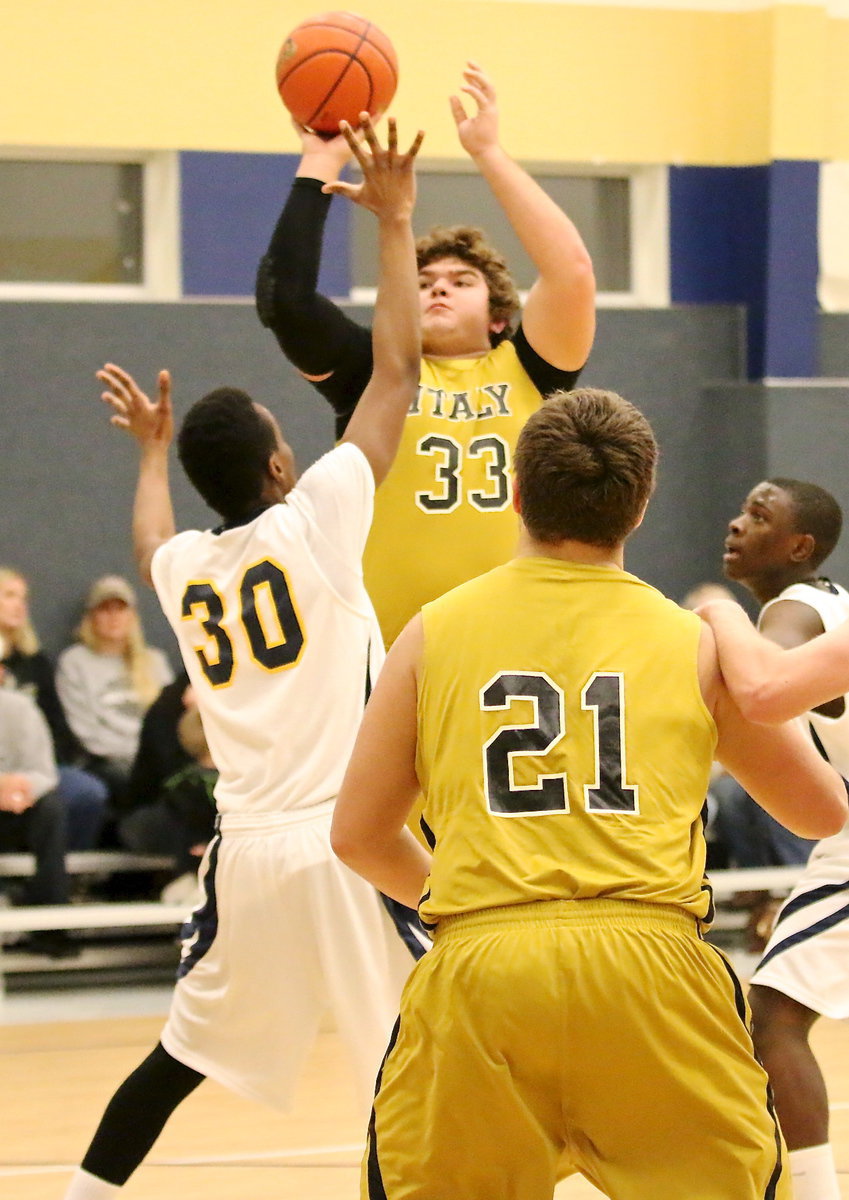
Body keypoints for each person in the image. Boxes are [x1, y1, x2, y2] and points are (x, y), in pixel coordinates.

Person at [329, 388, 848, 1200]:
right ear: (638, 506)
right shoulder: (689, 639)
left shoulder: (432, 630)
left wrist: (466, 902)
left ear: (514, 492)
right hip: (651, 966)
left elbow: (357, 835)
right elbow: (820, 812)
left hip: (483, 963)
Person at [62, 114, 423, 1200]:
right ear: (278, 465)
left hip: (248, 851)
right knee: (408, 1061)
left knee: (179, 1056)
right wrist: (394, 221)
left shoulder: (187, 571)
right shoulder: (317, 518)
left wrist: (150, 455)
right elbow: (398, 370)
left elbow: (147, 543)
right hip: (350, 841)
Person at [256, 61, 596, 650]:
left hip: (510, 647)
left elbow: (571, 270)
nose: (438, 288)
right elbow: (284, 300)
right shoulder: (372, 374)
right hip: (384, 653)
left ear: (498, 315)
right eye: (421, 282)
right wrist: (321, 161)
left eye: (461, 282)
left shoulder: (531, 368)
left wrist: (488, 152)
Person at [699, 477, 849, 1200]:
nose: (736, 523)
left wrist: (716, 613)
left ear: (798, 547)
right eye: (740, 510)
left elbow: (761, 689)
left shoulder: (796, 609)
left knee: (776, 1016)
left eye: (758, 516)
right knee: (776, 1014)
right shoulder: (828, 602)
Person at [0, 566, 108, 850]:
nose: (19, 605)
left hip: (38, 766)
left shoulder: (35, 663)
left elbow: (57, 724)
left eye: (23, 598)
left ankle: (71, 867)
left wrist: (32, 776)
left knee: (87, 792)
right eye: (9, 596)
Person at [56, 574, 174, 816]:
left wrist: (153, 757)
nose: (114, 617)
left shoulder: (154, 661)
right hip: (105, 761)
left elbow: (169, 720)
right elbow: (86, 732)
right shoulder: (75, 662)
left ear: (133, 617)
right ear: (91, 617)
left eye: (121, 609)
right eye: (105, 609)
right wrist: (137, 759)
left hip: (153, 757)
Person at [0, 680, 77, 958]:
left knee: (51, 808)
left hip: (13, 808)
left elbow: (44, 773)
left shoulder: (20, 708)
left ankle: (52, 926)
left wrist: (19, 788)